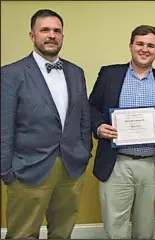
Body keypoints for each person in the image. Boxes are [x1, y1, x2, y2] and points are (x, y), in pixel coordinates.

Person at [0, 9, 92, 239]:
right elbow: (4, 125)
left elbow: (83, 117)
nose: (52, 35)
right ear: (32, 36)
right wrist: (7, 170)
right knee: (22, 234)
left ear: (62, 36)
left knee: (62, 232)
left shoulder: (76, 72)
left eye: (57, 31)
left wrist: (84, 151)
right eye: (45, 30)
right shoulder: (11, 74)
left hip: (71, 167)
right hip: (27, 169)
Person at [89, 25, 155, 239]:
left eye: (151, 45)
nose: (144, 49)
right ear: (130, 46)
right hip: (116, 163)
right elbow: (91, 108)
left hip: (152, 165)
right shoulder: (109, 73)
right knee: (115, 226)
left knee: (145, 228)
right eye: (139, 43)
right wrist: (99, 127)